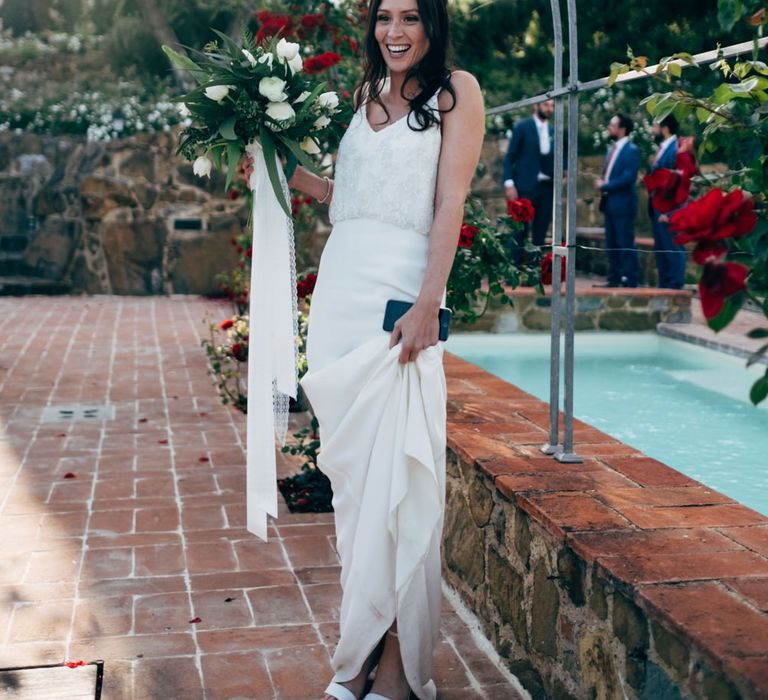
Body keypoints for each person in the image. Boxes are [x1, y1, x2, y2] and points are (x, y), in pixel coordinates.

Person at [286, 0, 485, 697]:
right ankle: (365, 647)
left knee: (399, 482)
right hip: (341, 288)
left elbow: (448, 203)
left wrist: (430, 300)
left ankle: (397, 668)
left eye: (409, 17)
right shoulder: (364, 92)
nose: (394, 31)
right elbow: (356, 198)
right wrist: (283, 171)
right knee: (355, 484)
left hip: (401, 294)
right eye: (382, 17)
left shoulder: (458, 91)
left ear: (431, 24)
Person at [502, 99, 555, 263]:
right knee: (519, 230)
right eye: (546, 105)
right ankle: (514, 270)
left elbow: (561, 155)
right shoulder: (522, 127)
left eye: (552, 106)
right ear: (536, 105)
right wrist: (509, 183)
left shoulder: (554, 130)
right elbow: (510, 156)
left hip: (547, 187)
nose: (549, 109)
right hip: (525, 186)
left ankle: (534, 271)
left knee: (541, 231)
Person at [594, 113, 640, 287]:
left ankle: (631, 278)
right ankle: (614, 277)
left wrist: (605, 185)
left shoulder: (631, 150)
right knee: (611, 242)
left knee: (625, 241)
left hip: (623, 204)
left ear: (622, 129)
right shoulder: (610, 149)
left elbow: (628, 177)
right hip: (609, 204)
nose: (609, 128)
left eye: (612, 125)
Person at [648, 115, 686, 289]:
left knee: (673, 247)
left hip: (668, 210)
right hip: (657, 208)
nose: (652, 130)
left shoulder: (677, 148)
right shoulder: (662, 148)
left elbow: (681, 183)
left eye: (654, 126)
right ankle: (664, 285)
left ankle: (675, 287)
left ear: (664, 128)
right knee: (662, 248)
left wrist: (670, 213)